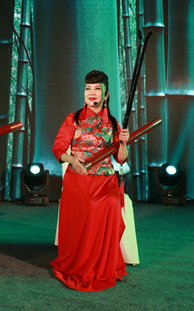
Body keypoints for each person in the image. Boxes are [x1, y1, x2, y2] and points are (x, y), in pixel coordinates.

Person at [51, 70, 130, 292]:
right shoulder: (73, 119)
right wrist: (71, 160)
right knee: (88, 206)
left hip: (105, 180)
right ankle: (80, 262)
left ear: (106, 95)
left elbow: (120, 159)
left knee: (111, 203)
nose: (91, 93)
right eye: (88, 89)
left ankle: (102, 265)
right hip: (79, 178)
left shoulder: (113, 123)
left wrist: (124, 143)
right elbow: (58, 148)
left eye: (97, 89)